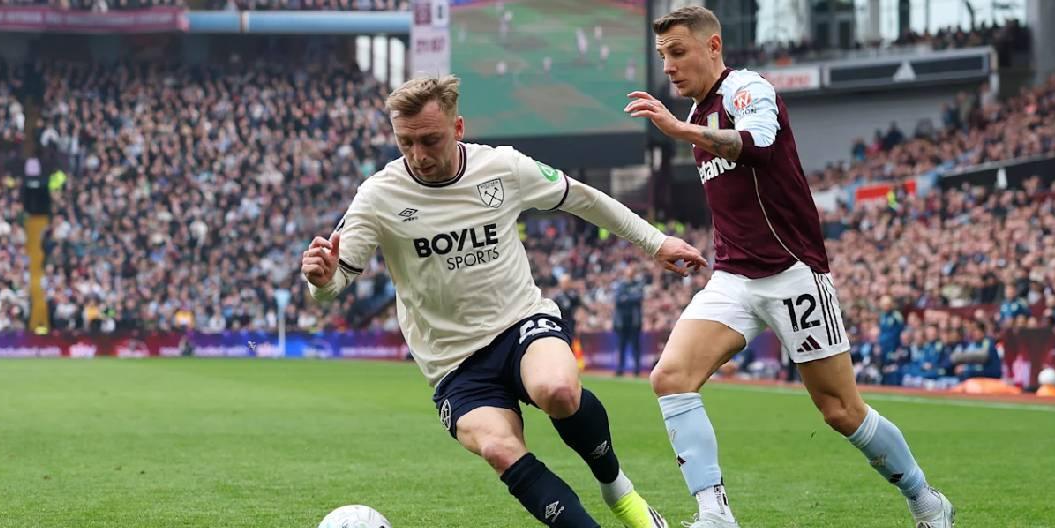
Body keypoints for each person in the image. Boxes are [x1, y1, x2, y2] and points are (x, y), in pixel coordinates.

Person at [302, 75, 708, 528]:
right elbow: (334, 285)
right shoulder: (378, 196)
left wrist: (655, 242)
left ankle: (619, 491)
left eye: (430, 140)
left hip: (519, 324)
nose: (418, 155)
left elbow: (584, 200)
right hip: (452, 361)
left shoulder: (502, 168)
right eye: (406, 142)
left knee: (557, 390)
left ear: (458, 128)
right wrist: (321, 279)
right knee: (500, 448)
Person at [625, 6, 953, 527]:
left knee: (841, 411)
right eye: (664, 55)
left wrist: (677, 130)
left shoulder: (747, 89)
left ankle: (926, 499)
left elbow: (759, 145)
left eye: (679, 52)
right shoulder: (693, 116)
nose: (668, 66)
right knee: (670, 377)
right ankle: (715, 516)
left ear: (713, 47)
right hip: (733, 276)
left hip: (792, 272)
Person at [614, 265, 646, 377]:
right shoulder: (620, 285)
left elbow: (639, 297)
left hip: (634, 321)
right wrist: (630, 297)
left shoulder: (638, 284)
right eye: (628, 273)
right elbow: (617, 299)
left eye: (631, 272)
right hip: (622, 322)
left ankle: (636, 369)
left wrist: (626, 298)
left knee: (635, 347)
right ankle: (620, 369)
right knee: (621, 346)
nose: (629, 275)